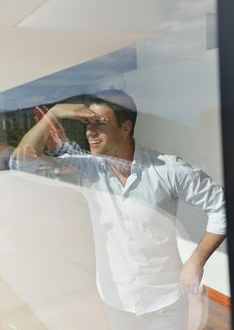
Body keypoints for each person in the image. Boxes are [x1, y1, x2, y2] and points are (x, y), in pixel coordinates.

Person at [10, 89, 226, 330]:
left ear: (125, 128)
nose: (90, 132)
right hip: (117, 304)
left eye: (99, 124)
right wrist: (54, 113)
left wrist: (196, 262)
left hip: (167, 303)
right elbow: (21, 164)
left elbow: (222, 206)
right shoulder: (90, 170)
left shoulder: (168, 170)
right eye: (87, 124)